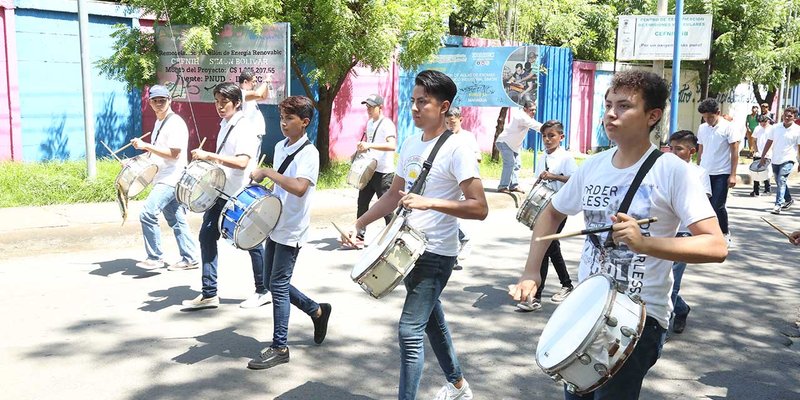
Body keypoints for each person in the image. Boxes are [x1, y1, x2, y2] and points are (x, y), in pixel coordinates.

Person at [509, 70, 727, 400]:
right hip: (586, 309)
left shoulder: (672, 171)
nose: (611, 113)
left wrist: (645, 243)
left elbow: (715, 244)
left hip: (639, 317)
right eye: (608, 104)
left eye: (624, 106)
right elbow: (551, 212)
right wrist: (530, 272)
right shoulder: (593, 166)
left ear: (652, 115)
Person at [345, 70, 488, 400]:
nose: (414, 108)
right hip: (405, 249)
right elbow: (394, 194)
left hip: (436, 253)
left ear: (443, 106)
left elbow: (479, 207)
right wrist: (360, 223)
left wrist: (430, 203)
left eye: (423, 102)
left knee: (409, 331)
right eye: (413, 101)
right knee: (431, 319)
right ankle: (457, 385)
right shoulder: (410, 143)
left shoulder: (458, 149)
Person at [246, 95, 331, 370]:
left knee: (278, 285)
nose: (283, 123)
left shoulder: (309, 153)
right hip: (276, 223)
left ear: (304, 122)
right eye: (282, 117)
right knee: (273, 284)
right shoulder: (281, 146)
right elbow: (282, 187)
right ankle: (317, 310)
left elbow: (299, 187)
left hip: (292, 228)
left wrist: (268, 172)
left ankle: (280, 346)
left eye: (289, 118)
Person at [182, 82, 268, 309]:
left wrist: (209, 155)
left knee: (252, 241)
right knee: (207, 236)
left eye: (224, 102)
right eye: (217, 102)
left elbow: (242, 162)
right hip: (220, 192)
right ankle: (209, 293)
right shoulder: (226, 124)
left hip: (238, 193)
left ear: (237, 103)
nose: (220, 107)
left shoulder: (244, 127)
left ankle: (263, 289)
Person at [132, 84, 199, 270]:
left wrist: (145, 145)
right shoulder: (159, 122)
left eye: (163, 100)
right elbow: (157, 153)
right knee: (176, 219)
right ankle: (190, 258)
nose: (159, 103)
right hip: (164, 176)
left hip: (172, 177)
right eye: (155, 100)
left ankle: (155, 257)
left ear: (170, 100)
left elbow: (174, 153)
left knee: (147, 213)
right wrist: (133, 161)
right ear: (150, 102)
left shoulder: (175, 122)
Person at [516, 120, 576, 311]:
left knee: (544, 246)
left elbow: (574, 180)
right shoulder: (542, 157)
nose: (548, 139)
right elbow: (539, 179)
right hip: (543, 207)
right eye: (544, 136)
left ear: (561, 137)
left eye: (552, 135)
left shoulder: (566, 158)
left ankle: (535, 297)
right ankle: (566, 284)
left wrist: (555, 177)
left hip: (559, 208)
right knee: (549, 246)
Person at [667, 130, 712, 334]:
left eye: (679, 149)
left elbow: (702, 204)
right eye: (671, 148)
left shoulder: (699, 173)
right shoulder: (662, 169)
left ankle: (661, 329)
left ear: (691, 151)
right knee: (659, 280)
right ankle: (682, 308)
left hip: (684, 234)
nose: (673, 152)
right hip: (663, 232)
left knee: (672, 282)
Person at [351, 93, 397, 247]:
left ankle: (394, 237)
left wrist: (369, 146)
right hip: (369, 170)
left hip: (384, 172)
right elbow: (369, 144)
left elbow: (392, 146)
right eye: (367, 106)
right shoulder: (370, 123)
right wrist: (360, 150)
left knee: (386, 208)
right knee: (362, 202)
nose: (368, 109)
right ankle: (359, 236)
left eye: (371, 106)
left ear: (380, 107)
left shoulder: (387, 124)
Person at [696, 98, 739, 245]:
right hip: (704, 172)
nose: (707, 120)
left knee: (717, 205)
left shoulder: (729, 127)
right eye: (704, 117)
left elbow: (735, 152)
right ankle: (708, 234)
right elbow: (700, 150)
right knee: (704, 206)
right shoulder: (702, 128)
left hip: (722, 172)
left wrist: (733, 174)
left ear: (718, 113)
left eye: (710, 117)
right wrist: (697, 168)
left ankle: (725, 233)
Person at [445, 106, 481, 269]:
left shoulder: (467, 137)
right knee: (448, 217)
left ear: (461, 120)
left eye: (453, 122)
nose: (450, 125)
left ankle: (463, 240)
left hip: (463, 183)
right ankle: (454, 254)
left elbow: (477, 157)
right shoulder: (444, 137)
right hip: (447, 182)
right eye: (447, 123)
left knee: (451, 217)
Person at [758, 106, 800, 214]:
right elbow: (769, 142)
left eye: (790, 116)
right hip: (776, 158)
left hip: (789, 159)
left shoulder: (797, 130)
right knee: (779, 181)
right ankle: (789, 199)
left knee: (781, 179)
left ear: (795, 117)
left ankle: (778, 205)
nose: (786, 117)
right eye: (785, 115)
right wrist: (762, 156)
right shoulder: (775, 127)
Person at [495, 100, 543, 194]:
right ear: (525, 109)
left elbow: (535, 123)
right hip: (504, 142)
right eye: (531, 110)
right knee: (510, 163)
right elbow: (536, 126)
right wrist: (550, 128)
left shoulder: (527, 117)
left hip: (513, 145)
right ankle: (502, 186)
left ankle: (514, 185)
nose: (533, 112)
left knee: (517, 164)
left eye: (535, 110)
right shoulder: (521, 116)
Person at [238, 68, 269, 140]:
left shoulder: (249, 94)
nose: (255, 84)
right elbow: (258, 94)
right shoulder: (241, 93)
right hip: (248, 135)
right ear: (245, 82)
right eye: (253, 82)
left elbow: (263, 97)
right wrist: (266, 82)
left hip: (255, 135)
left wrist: (267, 84)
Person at [750, 115, 773, 196]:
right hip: (758, 153)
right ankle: (755, 190)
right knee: (755, 172)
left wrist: (770, 151)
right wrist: (755, 151)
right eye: (761, 123)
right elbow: (754, 140)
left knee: (765, 171)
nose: (762, 124)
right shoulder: (757, 128)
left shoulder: (772, 129)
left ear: (768, 121)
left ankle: (767, 189)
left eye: (764, 122)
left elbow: (773, 141)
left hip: (768, 154)